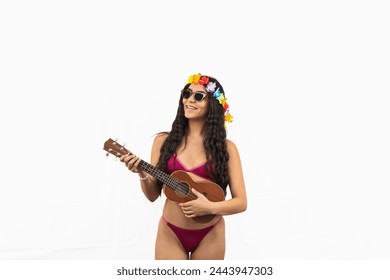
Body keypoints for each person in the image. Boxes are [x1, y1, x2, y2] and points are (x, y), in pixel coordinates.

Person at [120, 73, 247, 260]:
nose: (189, 100)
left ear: (213, 104)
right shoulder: (163, 141)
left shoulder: (227, 149)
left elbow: (241, 202)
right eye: (186, 94)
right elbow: (152, 195)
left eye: (198, 96)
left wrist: (209, 208)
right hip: (170, 233)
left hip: (210, 234)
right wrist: (141, 173)